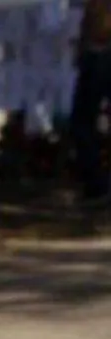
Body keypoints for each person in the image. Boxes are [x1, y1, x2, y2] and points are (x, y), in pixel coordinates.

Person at [71, 0, 111, 204]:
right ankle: (96, 184)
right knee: (83, 122)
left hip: (98, 54)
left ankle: (97, 185)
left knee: (82, 122)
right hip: (97, 52)